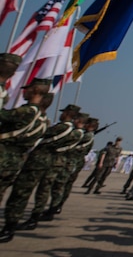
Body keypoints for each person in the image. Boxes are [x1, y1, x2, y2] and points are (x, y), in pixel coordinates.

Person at [1, 99, 80, 241]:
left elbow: (44, 134)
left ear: (69, 114)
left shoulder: (64, 128)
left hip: (43, 159)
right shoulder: (70, 130)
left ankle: (29, 219)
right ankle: (33, 217)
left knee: (33, 190)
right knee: (41, 189)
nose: (61, 115)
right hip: (49, 161)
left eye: (64, 113)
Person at [0, 79, 51, 202]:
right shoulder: (43, 120)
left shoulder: (26, 111)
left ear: (36, 91)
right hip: (16, 161)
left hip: (3, 155)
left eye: (27, 89)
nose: (24, 91)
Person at [42, 115, 99, 221]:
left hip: (72, 161)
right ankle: (56, 206)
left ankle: (55, 207)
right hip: (73, 161)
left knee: (62, 185)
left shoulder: (86, 136)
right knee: (64, 185)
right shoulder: (86, 135)